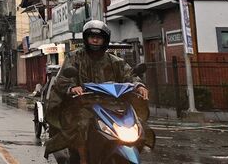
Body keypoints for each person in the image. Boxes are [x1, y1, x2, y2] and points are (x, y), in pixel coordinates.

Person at [44, 20, 150, 164]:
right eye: (92, 37)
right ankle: (82, 158)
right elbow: (63, 78)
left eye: (99, 37)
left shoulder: (115, 61)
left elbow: (129, 75)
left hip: (110, 105)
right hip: (82, 104)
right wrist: (72, 87)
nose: (95, 40)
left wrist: (139, 86)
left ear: (105, 40)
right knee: (80, 125)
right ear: (86, 39)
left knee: (137, 125)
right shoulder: (74, 57)